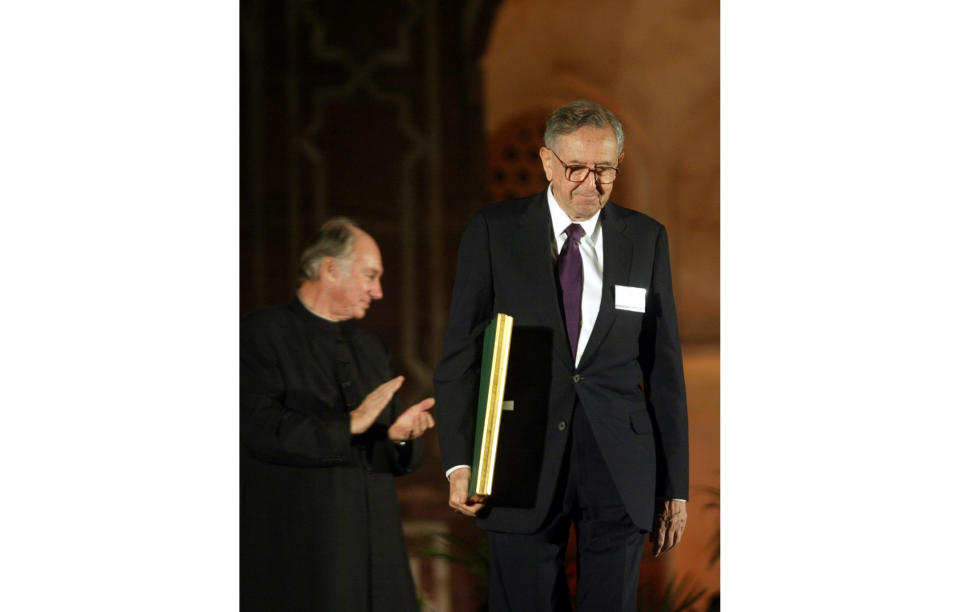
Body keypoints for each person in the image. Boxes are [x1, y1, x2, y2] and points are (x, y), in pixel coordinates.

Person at [434, 100, 689, 611]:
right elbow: (461, 352)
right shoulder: (495, 231)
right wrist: (460, 460)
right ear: (547, 162)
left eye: (604, 170)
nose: (589, 184)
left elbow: (663, 370)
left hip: (619, 464)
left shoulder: (645, 239)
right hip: (516, 463)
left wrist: (674, 486)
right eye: (575, 168)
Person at [240, 217, 435, 612]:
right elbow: (256, 429)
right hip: (304, 549)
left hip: (375, 548)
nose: (378, 292)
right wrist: (349, 424)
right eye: (370, 276)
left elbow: (377, 458)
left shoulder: (369, 348)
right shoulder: (261, 333)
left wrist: (398, 437)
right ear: (330, 269)